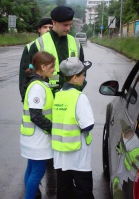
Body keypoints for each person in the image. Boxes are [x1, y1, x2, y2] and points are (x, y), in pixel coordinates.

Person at [52, 57, 94, 199]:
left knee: (64, 191)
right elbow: (88, 125)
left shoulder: (57, 96)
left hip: (61, 155)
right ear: (75, 78)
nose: (84, 78)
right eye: (83, 75)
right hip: (78, 156)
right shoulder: (79, 97)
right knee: (84, 191)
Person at [20, 51, 56, 199]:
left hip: (33, 138)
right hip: (37, 140)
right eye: (52, 66)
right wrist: (54, 128)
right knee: (37, 173)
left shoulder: (39, 83)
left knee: (31, 170)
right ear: (43, 67)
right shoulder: (37, 87)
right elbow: (36, 116)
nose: (54, 69)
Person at [26, 6, 85, 94]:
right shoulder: (39, 43)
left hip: (70, 97)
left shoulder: (76, 43)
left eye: (70, 25)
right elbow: (27, 75)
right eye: (65, 25)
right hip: (46, 97)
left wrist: (78, 90)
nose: (68, 28)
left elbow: (82, 71)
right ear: (54, 22)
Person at [19, 18, 54, 102]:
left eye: (50, 27)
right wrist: (24, 95)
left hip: (54, 89)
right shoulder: (30, 46)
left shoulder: (55, 46)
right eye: (45, 27)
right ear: (39, 29)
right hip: (36, 91)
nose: (48, 30)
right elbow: (24, 73)